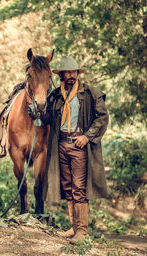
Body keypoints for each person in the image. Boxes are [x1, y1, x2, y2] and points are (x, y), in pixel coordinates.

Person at [41, 56, 109, 242]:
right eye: (67, 73)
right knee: (68, 187)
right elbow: (47, 118)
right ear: (61, 75)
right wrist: (36, 110)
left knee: (79, 187)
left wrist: (87, 136)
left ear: (77, 73)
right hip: (61, 145)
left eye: (73, 72)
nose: (71, 75)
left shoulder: (90, 93)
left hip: (79, 146)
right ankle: (73, 228)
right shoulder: (55, 95)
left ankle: (82, 231)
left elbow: (102, 118)